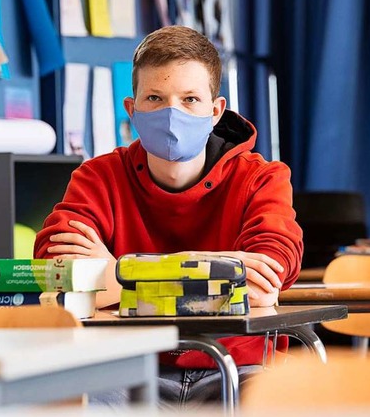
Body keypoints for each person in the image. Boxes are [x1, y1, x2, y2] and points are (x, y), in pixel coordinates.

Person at [33, 25, 303, 405]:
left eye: (190, 99)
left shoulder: (262, 179)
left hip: (236, 370)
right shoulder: (99, 177)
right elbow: (56, 271)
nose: (171, 113)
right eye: (155, 98)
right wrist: (216, 272)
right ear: (132, 109)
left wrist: (114, 274)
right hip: (121, 367)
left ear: (215, 111)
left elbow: (262, 283)